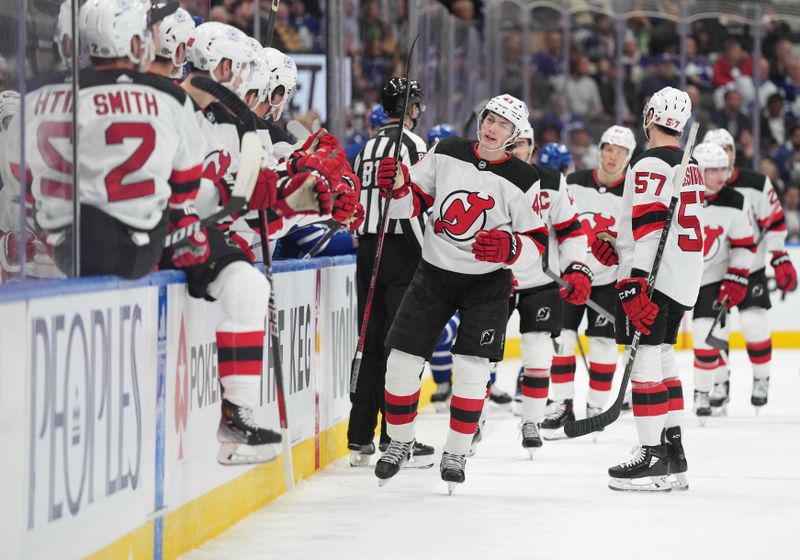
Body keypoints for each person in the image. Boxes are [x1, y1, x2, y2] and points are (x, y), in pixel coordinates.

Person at [176, 20, 334, 465]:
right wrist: (254, 196)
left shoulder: (234, 127)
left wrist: (297, 200)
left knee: (249, 288)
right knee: (247, 287)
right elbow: (189, 190)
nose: (252, 81)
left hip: (206, 238)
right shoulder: (178, 111)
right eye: (244, 69)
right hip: (164, 232)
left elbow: (253, 208)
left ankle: (236, 420)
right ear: (224, 67)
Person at [374, 94, 548, 492]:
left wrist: (510, 248)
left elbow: (537, 241)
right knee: (400, 361)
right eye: (489, 118)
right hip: (433, 273)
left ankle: (456, 450)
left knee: (471, 371)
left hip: (487, 284)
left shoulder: (525, 177)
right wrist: (398, 186)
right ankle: (400, 441)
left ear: (514, 135)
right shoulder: (447, 150)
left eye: (503, 125)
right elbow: (411, 202)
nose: (492, 127)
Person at [7, 0, 205, 280]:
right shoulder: (170, 97)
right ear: (135, 44)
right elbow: (185, 189)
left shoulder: (36, 98)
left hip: (64, 250)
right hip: (140, 250)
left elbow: (21, 182)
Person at [594, 86, 704, 492]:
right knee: (664, 361)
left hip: (653, 279)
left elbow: (651, 224)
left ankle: (651, 455)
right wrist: (619, 247)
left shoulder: (647, 163)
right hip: (681, 276)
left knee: (644, 367)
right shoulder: (688, 162)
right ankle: (674, 451)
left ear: (650, 116)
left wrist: (633, 280)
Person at [347, 76, 434, 468]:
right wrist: (428, 255)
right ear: (411, 108)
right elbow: (415, 205)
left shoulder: (366, 146)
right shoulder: (414, 145)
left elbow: (352, 200)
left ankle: (358, 435)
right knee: (399, 345)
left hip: (368, 250)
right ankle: (394, 437)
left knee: (369, 337)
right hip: (402, 249)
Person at [506, 121, 591, 454]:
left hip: (542, 280)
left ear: (532, 147)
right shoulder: (483, 174)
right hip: (494, 278)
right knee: (482, 357)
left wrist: (576, 267)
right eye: (511, 143)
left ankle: (531, 420)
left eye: (522, 143)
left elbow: (571, 229)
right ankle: (475, 423)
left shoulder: (553, 181)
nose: (516, 150)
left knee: (538, 352)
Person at [547, 125, 636, 434]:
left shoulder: (633, 192)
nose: (613, 156)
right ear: (599, 151)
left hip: (608, 281)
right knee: (561, 340)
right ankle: (562, 404)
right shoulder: (572, 182)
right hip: (571, 276)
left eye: (621, 152)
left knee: (601, 344)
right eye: (609, 149)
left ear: (629, 157)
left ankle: (596, 407)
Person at [703, 128, 796, 411]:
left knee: (754, 323)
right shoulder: (695, 188)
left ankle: (761, 378)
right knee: (710, 328)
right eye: (716, 150)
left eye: (727, 149)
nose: (723, 155)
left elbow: (775, 221)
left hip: (750, 267)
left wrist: (779, 256)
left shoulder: (756, 183)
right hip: (712, 271)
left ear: (734, 153)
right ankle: (719, 380)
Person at [689, 142, 755, 419]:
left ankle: (703, 391)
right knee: (654, 339)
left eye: (723, 169)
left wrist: (736, 276)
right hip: (674, 276)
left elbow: (744, 244)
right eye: (712, 169)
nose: (720, 175)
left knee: (706, 333)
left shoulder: (736, 201)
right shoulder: (678, 196)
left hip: (712, 278)